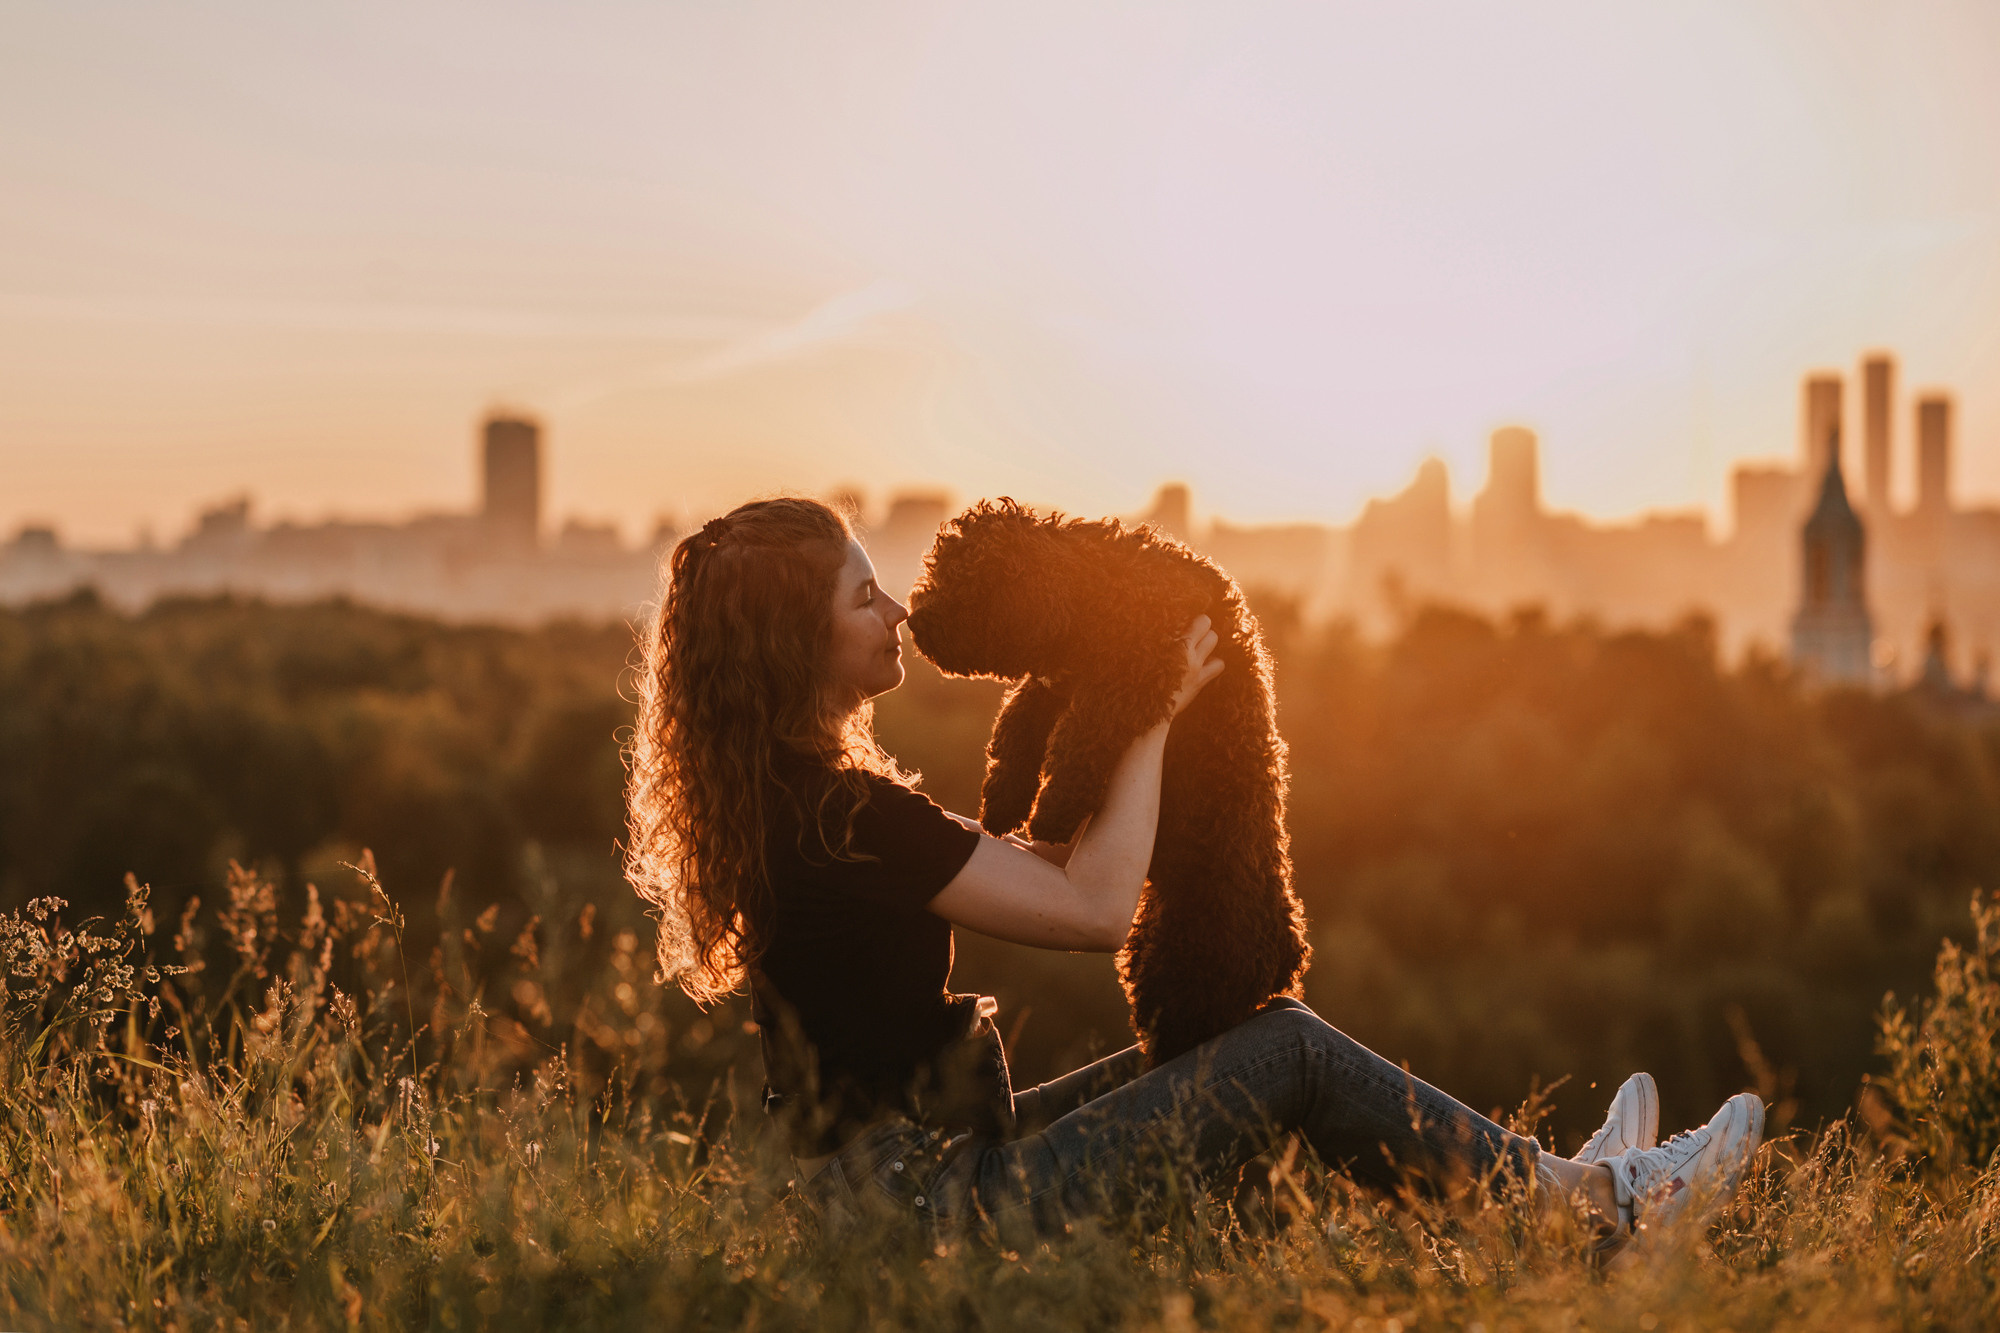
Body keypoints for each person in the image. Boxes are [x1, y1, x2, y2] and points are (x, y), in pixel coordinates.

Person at [625, 496, 1764, 1255]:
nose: (896, 612)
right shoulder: (841, 813)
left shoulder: (793, 801)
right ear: (796, 643)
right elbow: (1094, 907)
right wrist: (1153, 713)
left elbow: (1049, 869)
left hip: (895, 1192)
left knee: (1221, 1045)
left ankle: (1551, 1189)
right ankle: (1602, 1213)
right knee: (1288, 1051)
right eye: (861, 598)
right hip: (935, 1213)